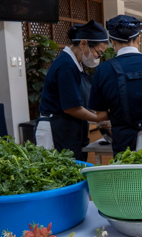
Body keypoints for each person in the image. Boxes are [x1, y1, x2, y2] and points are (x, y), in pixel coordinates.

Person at [90, 15, 142, 156]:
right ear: (139, 39)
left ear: (112, 41)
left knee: (129, 178)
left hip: (125, 145)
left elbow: (102, 115)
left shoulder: (103, 69)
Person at [35, 20, 109, 161]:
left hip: (69, 128)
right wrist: (100, 119)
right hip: (56, 129)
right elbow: (72, 108)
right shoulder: (66, 66)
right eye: (98, 53)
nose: (98, 58)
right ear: (83, 44)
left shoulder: (77, 65)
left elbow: (79, 100)